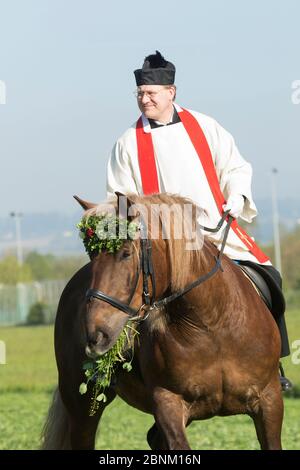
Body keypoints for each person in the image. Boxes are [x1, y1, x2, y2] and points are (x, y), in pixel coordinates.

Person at [106, 50, 292, 390]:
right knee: (127, 297)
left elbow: (235, 166)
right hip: (163, 245)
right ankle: (125, 367)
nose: (144, 100)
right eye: (139, 95)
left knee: (270, 278)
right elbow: (121, 197)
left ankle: (273, 366)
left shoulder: (206, 126)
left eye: (150, 94)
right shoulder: (127, 143)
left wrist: (236, 197)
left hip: (217, 231)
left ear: (171, 93)